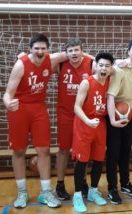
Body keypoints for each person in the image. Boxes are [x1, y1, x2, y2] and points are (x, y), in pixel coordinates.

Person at [3, 33, 68, 208]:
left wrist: (107, 61)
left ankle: (46, 192)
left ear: (48, 49)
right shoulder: (21, 65)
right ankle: (22, 193)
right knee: (18, 151)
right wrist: (9, 103)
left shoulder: (52, 59)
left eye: (43, 48)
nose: (40, 51)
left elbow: (75, 53)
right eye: (36, 48)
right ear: (30, 49)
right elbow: (7, 93)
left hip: (39, 108)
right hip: (20, 109)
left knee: (44, 150)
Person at [71, 52, 114, 213]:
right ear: (95, 65)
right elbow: (76, 106)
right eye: (101, 65)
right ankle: (77, 195)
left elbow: (121, 66)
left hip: (100, 124)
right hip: (84, 123)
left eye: (107, 66)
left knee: (98, 159)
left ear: (111, 68)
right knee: (82, 161)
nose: (104, 68)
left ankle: (93, 191)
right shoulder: (86, 83)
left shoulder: (110, 82)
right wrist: (87, 121)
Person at [106, 38, 132, 205]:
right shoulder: (118, 70)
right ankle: (112, 188)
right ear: (128, 51)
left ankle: (125, 184)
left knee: (125, 151)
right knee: (113, 153)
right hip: (115, 114)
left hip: (130, 114)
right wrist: (112, 119)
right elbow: (110, 96)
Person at [55, 38, 93, 200]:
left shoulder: (91, 64)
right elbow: (45, 59)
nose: (74, 53)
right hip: (65, 114)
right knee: (63, 150)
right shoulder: (61, 64)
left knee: (83, 151)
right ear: (66, 53)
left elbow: (110, 67)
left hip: (84, 115)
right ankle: (60, 184)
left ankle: (82, 182)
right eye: (70, 51)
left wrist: (87, 56)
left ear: (82, 51)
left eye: (77, 50)